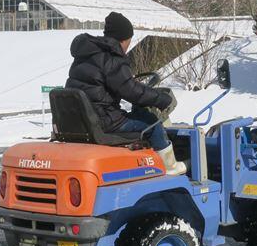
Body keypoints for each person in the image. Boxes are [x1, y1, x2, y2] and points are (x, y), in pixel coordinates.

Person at [65, 12, 187, 175]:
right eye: (129, 40)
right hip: (105, 122)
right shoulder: (112, 57)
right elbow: (131, 91)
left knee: (138, 115)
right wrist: (160, 99)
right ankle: (170, 167)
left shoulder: (86, 55)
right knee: (151, 122)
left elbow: (111, 86)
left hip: (84, 120)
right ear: (123, 39)